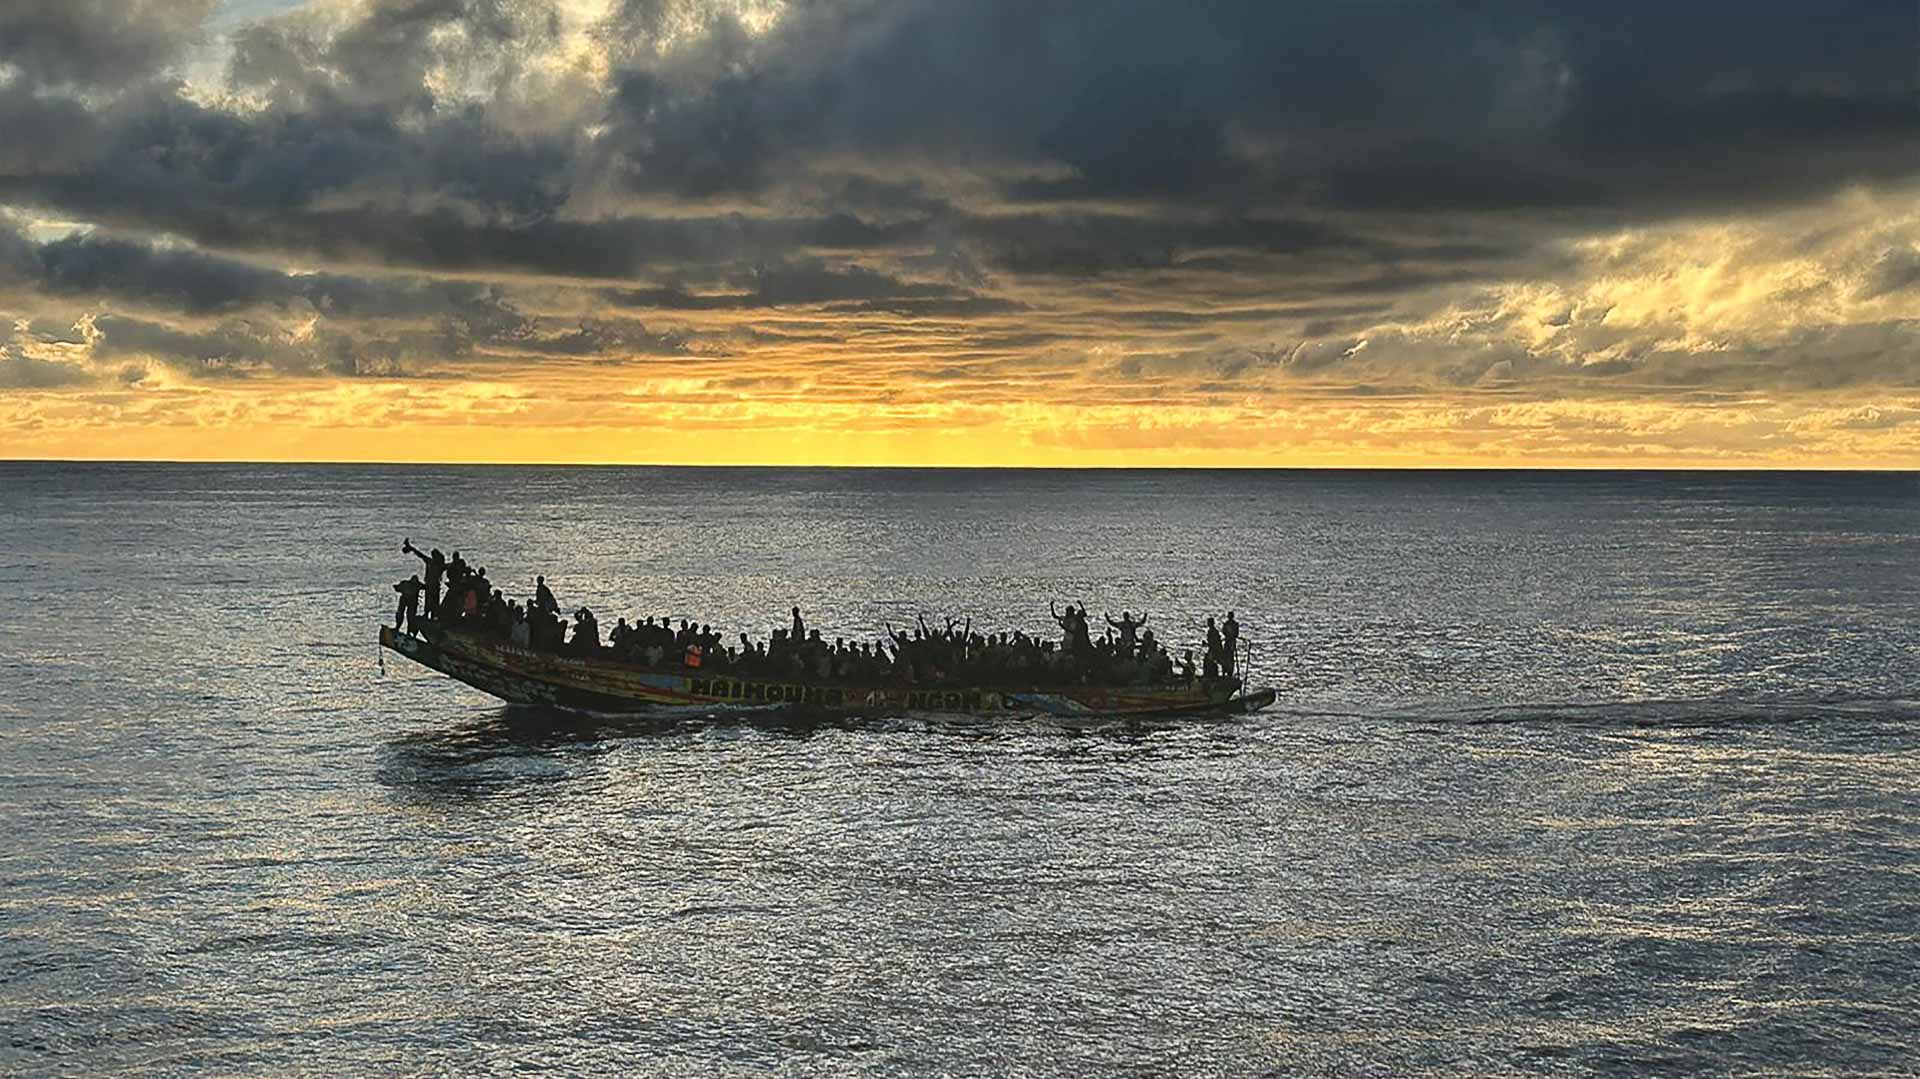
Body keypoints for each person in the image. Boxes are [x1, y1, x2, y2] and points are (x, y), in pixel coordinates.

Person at [402, 540, 446, 616]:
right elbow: (420, 554)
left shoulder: (434, 563)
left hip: (432, 586)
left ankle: (429, 615)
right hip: (433, 586)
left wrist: (411, 548)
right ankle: (430, 615)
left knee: (431, 603)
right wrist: (411, 548)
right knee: (432, 603)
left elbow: (420, 554)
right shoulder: (438, 565)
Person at [1222, 610, 1240, 676]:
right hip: (1227, 642)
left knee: (1230, 657)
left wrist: (1231, 634)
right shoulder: (1226, 624)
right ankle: (1225, 671)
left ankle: (1230, 671)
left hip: (1231, 642)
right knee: (1225, 657)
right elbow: (1224, 631)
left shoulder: (1234, 624)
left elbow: (1236, 634)